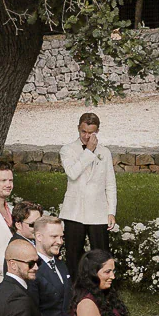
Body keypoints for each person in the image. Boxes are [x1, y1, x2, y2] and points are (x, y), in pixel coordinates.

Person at [60, 112, 117, 275]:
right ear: (78, 128)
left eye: (91, 133)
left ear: (97, 131)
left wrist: (111, 211)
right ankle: (75, 292)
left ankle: (103, 291)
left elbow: (110, 183)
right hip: (74, 211)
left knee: (101, 256)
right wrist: (89, 152)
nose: (86, 136)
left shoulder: (105, 152)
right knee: (73, 256)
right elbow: (72, 173)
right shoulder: (67, 150)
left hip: (98, 211)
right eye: (83, 132)